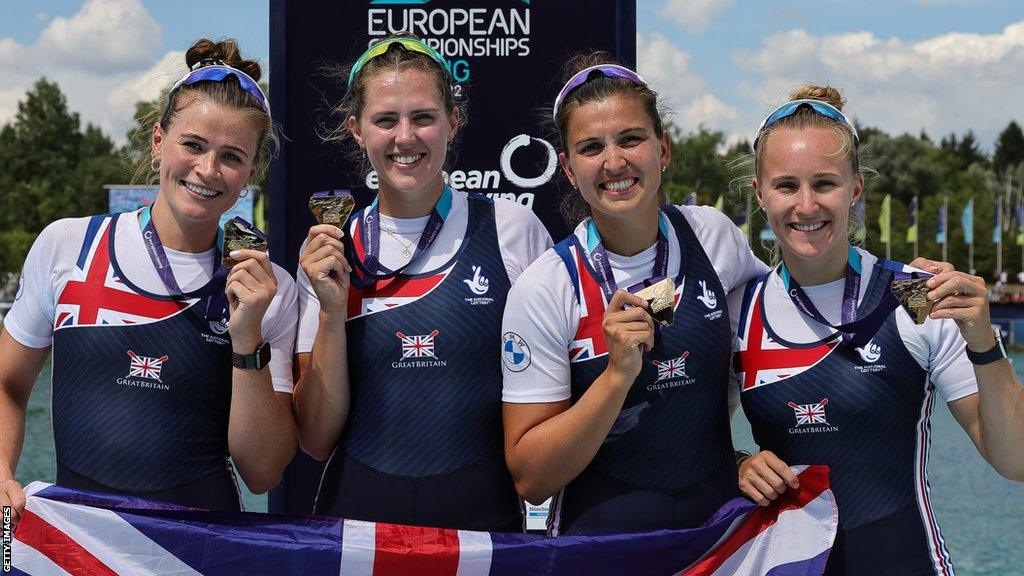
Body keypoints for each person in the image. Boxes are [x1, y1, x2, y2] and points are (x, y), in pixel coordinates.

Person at [0, 39, 298, 525]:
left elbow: (262, 473)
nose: (207, 170)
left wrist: (247, 336)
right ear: (159, 141)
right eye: (193, 145)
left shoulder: (268, 289)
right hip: (81, 549)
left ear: (250, 172)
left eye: (232, 156)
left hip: (200, 552)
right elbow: (7, 384)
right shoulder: (69, 245)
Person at [730, 85, 1024, 574]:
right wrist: (739, 464)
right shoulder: (741, 310)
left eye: (825, 183)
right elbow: (696, 447)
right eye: (786, 186)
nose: (806, 206)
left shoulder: (916, 298)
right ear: (759, 194)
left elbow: (1015, 461)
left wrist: (983, 343)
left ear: (856, 188)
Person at [500, 55, 771, 536]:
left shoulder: (712, 236)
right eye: (590, 147)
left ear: (663, 148)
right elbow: (531, 478)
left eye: (630, 139)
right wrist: (615, 378)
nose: (614, 162)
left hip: (713, 542)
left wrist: (897, 279)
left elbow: (801, 312)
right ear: (567, 168)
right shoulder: (546, 287)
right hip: (602, 550)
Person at [294, 35, 551, 531]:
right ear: (356, 129)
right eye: (385, 120)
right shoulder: (331, 252)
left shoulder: (512, 229)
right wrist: (330, 311)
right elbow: (316, 439)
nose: (405, 137)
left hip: (483, 527)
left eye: (424, 117)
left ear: (454, 120)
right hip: (360, 529)